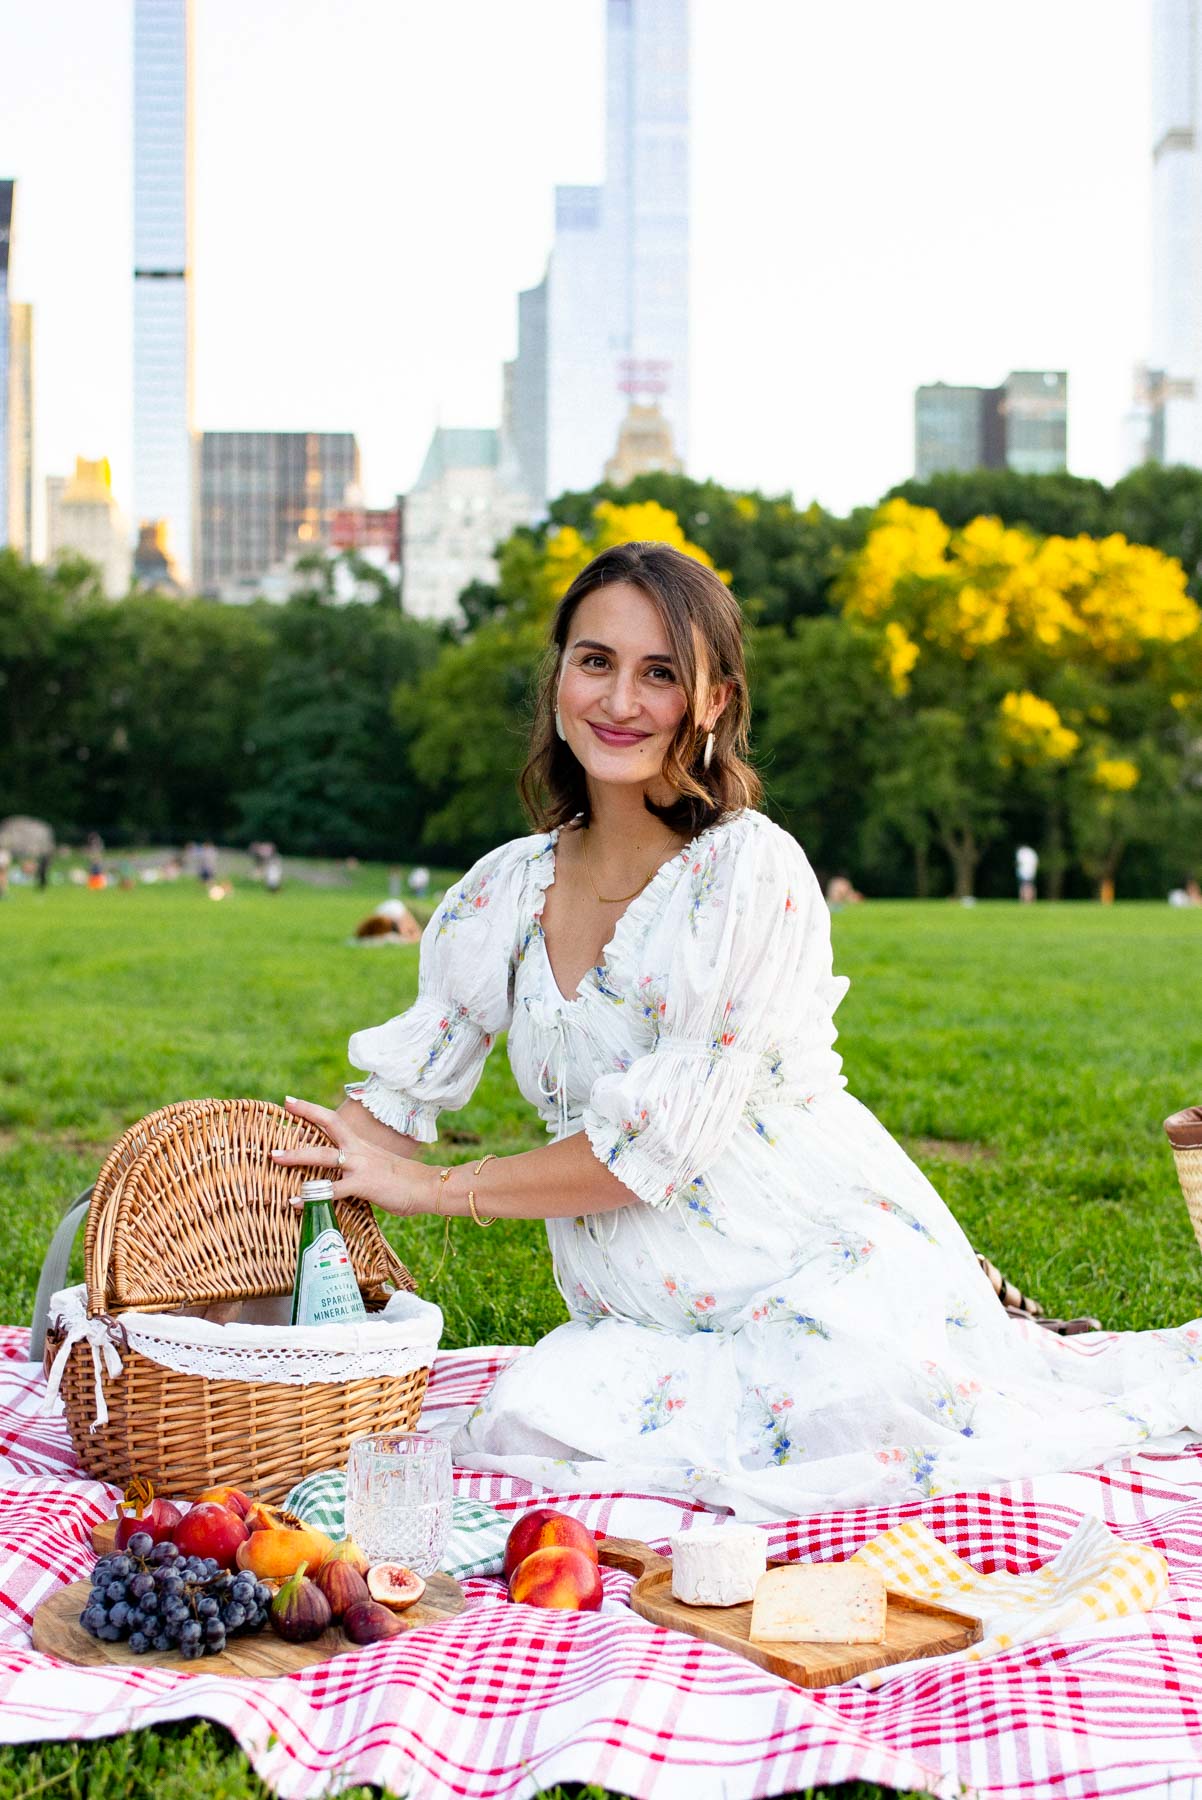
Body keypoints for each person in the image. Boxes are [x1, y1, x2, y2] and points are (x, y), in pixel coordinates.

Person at [274, 541, 1202, 1519]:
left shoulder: (748, 873)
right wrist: (278, 1187)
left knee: (839, 1415)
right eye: (595, 662)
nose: (619, 700)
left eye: (660, 673)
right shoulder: (502, 890)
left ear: (713, 701)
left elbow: (647, 1152)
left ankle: (960, 1332)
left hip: (818, 1271)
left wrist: (430, 1190)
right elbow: (394, 1100)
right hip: (645, 1317)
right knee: (535, 1414)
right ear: (558, 678)